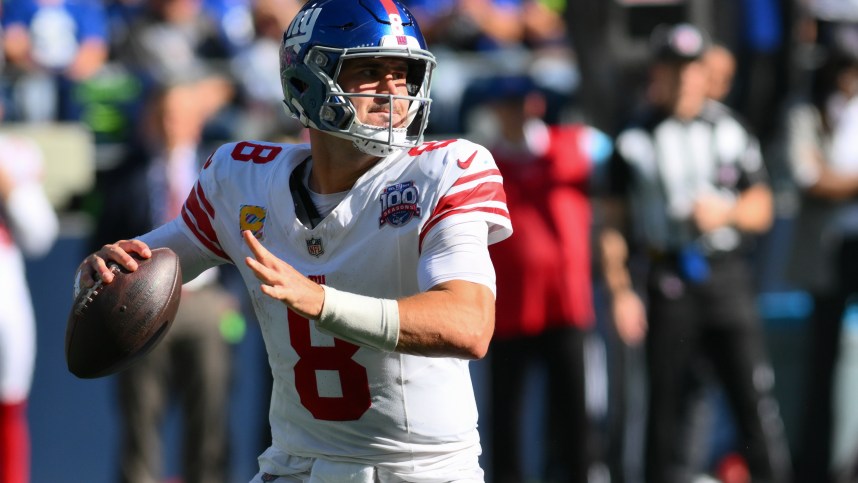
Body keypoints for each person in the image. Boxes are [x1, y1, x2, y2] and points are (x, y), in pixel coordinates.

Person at [73, 1, 512, 481]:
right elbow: (154, 260)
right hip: (295, 465)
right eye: (369, 70)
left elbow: (469, 324)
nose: (394, 92)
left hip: (419, 470)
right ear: (308, 79)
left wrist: (321, 301)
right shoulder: (243, 179)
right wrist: (104, 271)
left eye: (404, 73)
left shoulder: (444, 171)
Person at [599, 23, 792, 483]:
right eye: (675, 68)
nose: (685, 79)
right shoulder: (633, 139)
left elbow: (763, 205)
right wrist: (621, 291)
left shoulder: (730, 129)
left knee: (753, 399)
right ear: (658, 74)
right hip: (668, 282)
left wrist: (726, 214)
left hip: (725, 277)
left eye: (692, 68)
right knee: (663, 409)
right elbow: (612, 226)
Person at [90, 81, 240, 483]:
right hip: (140, 307)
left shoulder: (220, 174)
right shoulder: (126, 173)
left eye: (181, 115)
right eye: (165, 115)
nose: (172, 124)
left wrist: (229, 294)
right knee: (139, 414)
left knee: (210, 412)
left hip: (206, 304)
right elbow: (100, 243)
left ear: (196, 121)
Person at [478, 73, 610, 483]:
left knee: (575, 411)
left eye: (521, 102)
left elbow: (621, 162)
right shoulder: (484, 164)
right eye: (507, 104)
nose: (515, 112)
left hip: (565, 305)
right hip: (510, 311)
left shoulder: (577, 145)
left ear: (535, 104)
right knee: (507, 415)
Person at [783, 48, 858, 483]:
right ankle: (815, 468)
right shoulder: (807, 113)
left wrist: (838, 180)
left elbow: (826, 177)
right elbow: (809, 178)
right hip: (828, 254)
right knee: (821, 365)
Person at [0, 127, 60, 483]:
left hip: (6, 300)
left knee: (9, 407)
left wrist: (9, 189)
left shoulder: (14, 153)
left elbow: (40, 235)